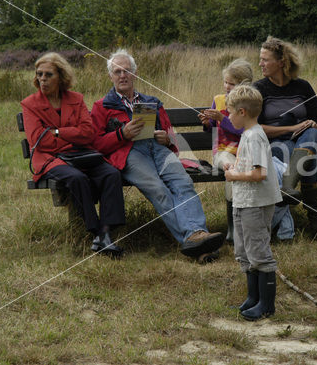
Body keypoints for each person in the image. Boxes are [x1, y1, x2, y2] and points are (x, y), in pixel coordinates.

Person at [90, 49, 225, 259]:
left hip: (158, 149)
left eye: (127, 71)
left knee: (183, 183)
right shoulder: (102, 107)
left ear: (135, 74)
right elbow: (96, 145)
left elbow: (171, 135)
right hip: (130, 153)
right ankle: (195, 240)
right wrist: (121, 134)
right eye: (117, 71)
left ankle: (197, 236)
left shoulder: (152, 102)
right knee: (159, 190)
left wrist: (166, 139)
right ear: (111, 76)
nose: (123, 75)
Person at [21, 52, 125, 256]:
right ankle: (96, 231)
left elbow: (88, 133)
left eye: (48, 75)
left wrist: (58, 131)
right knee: (76, 178)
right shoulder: (30, 104)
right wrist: (72, 135)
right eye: (39, 74)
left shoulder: (75, 99)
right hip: (51, 159)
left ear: (61, 76)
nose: (43, 79)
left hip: (81, 154)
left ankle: (106, 232)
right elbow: (39, 140)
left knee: (111, 174)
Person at [254, 36, 317, 240]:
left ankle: (287, 187)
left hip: (306, 141)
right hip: (277, 146)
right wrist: (293, 127)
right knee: (310, 157)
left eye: (265, 59)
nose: (260, 64)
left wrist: (313, 125)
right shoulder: (259, 89)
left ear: (281, 62)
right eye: (260, 59)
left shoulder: (303, 87)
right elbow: (255, 128)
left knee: (313, 134)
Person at [223, 84, 281, 321]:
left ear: (242, 112)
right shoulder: (247, 135)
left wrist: (234, 176)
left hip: (256, 204)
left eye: (230, 112)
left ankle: (266, 305)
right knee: (244, 251)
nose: (228, 116)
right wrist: (234, 167)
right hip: (243, 201)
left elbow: (259, 174)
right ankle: (252, 298)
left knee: (258, 251)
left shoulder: (255, 136)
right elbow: (249, 167)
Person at [198, 58, 252, 242]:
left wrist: (222, 118)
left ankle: (241, 226)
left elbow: (243, 130)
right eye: (225, 82)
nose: (227, 86)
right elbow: (214, 127)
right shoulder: (218, 100)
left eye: (232, 83)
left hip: (244, 153)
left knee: (239, 171)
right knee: (232, 169)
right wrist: (208, 123)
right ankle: (232, 228)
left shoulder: (248, 105)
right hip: (222, 153)